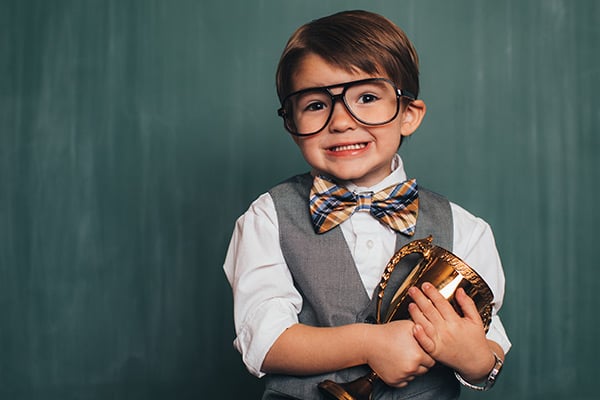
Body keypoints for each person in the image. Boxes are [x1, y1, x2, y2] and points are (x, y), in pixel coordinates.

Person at [223, 10, 510, 399]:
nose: (340, 121)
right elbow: (265, 342)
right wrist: (370, 343)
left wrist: (472, 356)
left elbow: (488, 351)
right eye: (315, 104)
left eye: (368, 97)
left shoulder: (466, 228)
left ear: (408, 115)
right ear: (291, 124)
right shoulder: (267, 218)